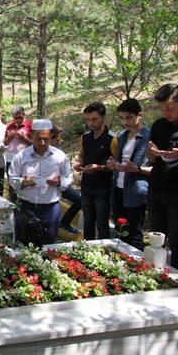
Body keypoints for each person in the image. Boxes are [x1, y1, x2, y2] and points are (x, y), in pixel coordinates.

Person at [9, 119, 73, 245]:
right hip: (26, 208)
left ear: (50, 137)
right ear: (31, 136)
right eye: (38, 138)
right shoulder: (21, 156)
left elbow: (69, 177)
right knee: (23, 244)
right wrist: (23, 182)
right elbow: (11, 178)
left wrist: (59, 182)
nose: (42, 142)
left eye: (46, 138)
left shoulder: (59, 156)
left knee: (49, 246)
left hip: (51, 209)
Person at [146, 83, 178, 270]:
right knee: (155, 240)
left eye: (169, 108)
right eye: (161, 109)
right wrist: (151, 154)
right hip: (157, 190)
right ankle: (154, 278)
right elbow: (152, 159)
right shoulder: (159, 125)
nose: (165, 113)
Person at [106, 99, 151, 250]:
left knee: (134, 231)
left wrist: (137, 169)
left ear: (140, 115)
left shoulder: (149, 137)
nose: (125, 122)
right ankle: (121, 264)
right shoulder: (122, 136)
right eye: (121, 118)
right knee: (120, 229)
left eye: (129, 117)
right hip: (118, 187)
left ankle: (136, 266)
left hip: (136, 190)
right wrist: (114, 164)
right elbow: (121, 162)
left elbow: (156, 168)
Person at [75, 102, 116, 240]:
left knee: (102, 224)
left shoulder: (113, 138)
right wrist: (78, 164)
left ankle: (104, 253)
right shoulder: (85, 137)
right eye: (87, 120)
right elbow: (82, 155)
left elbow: (117, 166)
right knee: (88, 222)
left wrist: (99, 167)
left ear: (103, 118)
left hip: (104, 188)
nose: (91, 123)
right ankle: (87, 252)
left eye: (94, 119)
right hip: (86, 186)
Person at [51, 127, 82, 235]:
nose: (60, 141)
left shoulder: (59, 151)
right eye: (58, 140)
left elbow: (66, 172)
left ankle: (65, 222)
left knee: (79, 200)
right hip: (47, 186)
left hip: (60, 183)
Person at [4, 106, 32, 201]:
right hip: (10, 159)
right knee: (12, 183)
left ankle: (23, 207)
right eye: (15, 118)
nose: (18, 120)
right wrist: (9, 137)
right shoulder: (9, 126)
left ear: (24, 114)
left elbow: (35, 144)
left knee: (23, 183)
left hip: (25, 159)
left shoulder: (30, 125)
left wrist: (24, 138)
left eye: (20, 117)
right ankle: (13, 207)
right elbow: (4, 143)